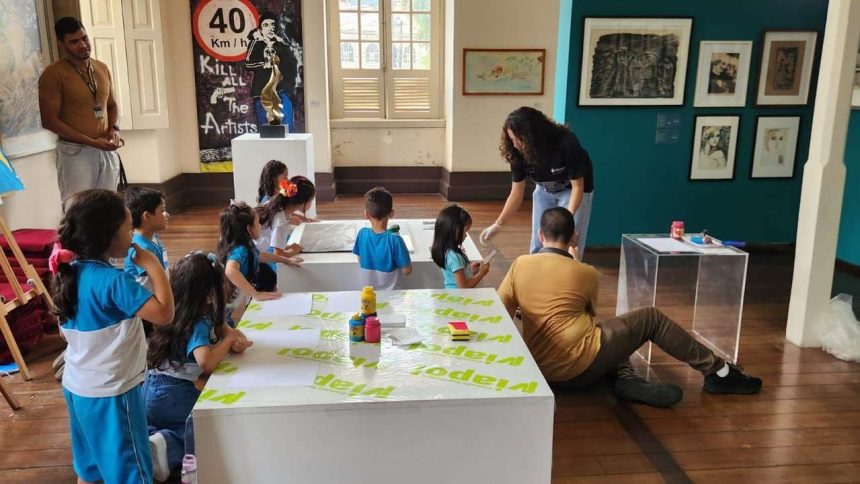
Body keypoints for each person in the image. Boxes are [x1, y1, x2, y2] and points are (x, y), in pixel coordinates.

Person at [497, 207, 762, 408]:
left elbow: (501, 313)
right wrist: (576, 262)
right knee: (649, 318)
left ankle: (627, 379)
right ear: (574, 236)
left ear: (540, 235)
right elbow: (589, 315)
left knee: (612, 332)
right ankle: (719, 371)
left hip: (540, 368)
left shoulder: (520, 264)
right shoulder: (585, 273)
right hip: (579, 368)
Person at [50, 189, 174, 483]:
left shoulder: (67, 273)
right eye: (128, 227)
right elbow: (165, 314)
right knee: (133, 474)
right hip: (114, 393)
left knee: (88, 469)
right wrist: (153, 265)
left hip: (77, 387)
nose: (132, 234)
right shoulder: (115, 282)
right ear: (108, 234)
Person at [145, 252, 252, 482]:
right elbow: (206, 361)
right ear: (209, 293)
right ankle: (167, 447)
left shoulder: (180, 311)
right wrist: (226, 343)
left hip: (154, 390)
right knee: (209, 430)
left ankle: (152, 438)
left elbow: (229, 331)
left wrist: (236, 339)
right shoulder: (197, 321)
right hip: (172, 393)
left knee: (162, 422)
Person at [480, 107, 594, 259]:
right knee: (539, 240)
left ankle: (569, 273)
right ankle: (537, 271)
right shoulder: (516, 152)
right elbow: (516, 193)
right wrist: (498, 224)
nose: (515, 145)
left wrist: (567, 218)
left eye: (518, 140)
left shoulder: (566, 143)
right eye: (512, 139)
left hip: (572, 190)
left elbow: (578, 186)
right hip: (544, 189)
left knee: (567, 240)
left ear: (533, 136)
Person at [39, 17, 123, 204]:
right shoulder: (53, 74)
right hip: (75, 153)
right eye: (74, 42)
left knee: (108, 209)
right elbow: (49, 121)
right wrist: (92, 142)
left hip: (106, 149)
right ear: (61, 45)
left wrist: (114, 130)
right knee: (78, 210)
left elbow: (111, 105)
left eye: (85, 38)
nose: (83, 45)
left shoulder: (101, 67)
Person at [218, 201, 295, 315]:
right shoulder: (240, 250)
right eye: (258, 222)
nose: (260, 225)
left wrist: (286, 260)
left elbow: (259, 256)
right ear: (249, 229)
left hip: (232, 299)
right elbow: (230, 270)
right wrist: (255, 294)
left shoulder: (246, 244)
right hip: (224, 302)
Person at [253, 176, 314, 290]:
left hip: (253, 249)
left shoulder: (275, 203)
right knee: (269, 283)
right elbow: (277, 255)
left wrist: (285, 246)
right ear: (303, 202)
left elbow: (268, 236)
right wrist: (293, 250)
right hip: (254, 260)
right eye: (311, 200)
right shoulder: (281, 220)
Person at [245, 12, 298, 131]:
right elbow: (248, 64)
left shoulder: (281, 45)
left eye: (273, 25)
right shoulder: (256, 44)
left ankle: (288, 149)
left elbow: (291, 65)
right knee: (266, 127)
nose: (270, 28)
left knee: (287, 124)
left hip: (281, 91)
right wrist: (264, 64)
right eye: (266, 25)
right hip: (262, 92)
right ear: (261, 28)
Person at [352, 187, 412, 290]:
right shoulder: (395, 240)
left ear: (366, 214)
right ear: (392, 213)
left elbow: (359, 258)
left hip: (368, 296)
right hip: (392, 298)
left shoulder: (362, 234)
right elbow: (407, 271)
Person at [431, 205, 489, 289]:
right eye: (465, 231)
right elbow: (464, 287)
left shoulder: (446, 252)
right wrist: (481, 273)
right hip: (459, 300)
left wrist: (469, 268)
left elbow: (453, 274)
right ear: (455, 230)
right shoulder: (455, 257)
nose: (466, 235)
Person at [124, 187, 170, 292]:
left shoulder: (152, 238)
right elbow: (153, 283)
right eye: (162, 210)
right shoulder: (141, 249)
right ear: (147, 216)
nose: (167, 214)